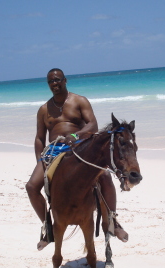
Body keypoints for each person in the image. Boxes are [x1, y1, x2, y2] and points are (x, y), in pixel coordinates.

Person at [25, 68, 128, 251]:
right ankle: (48, 228)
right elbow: (40, 138)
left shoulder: (79, 101)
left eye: (57, 80)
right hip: (55, 150)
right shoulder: (43, 110)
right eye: (50, 82)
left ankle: (112, 221)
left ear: (65, 80)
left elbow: (93, 125)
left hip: (81, 147)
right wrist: (39, 160)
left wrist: (76, 135)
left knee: (104, 175)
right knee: (32, 186)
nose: (54, 84)